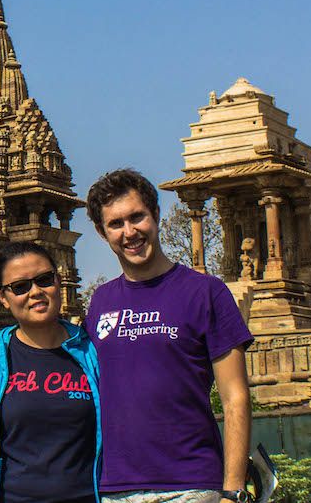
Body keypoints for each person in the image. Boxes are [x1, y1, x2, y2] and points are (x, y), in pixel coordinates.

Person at [84, 169, 254, 503]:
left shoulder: (206, 292)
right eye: (116, 224)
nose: (130, 232)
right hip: (115, 488)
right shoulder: (101, 302)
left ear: (156, 214)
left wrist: (233, 491)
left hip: (190, 482)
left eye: (137, 217)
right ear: (102, 232)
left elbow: (235, 397)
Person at [0, 241, 101, 503]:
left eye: (44, 279)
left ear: (59, 282)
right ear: (3, 298)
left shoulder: (89, 351)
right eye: (20, 287)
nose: (35, 292)